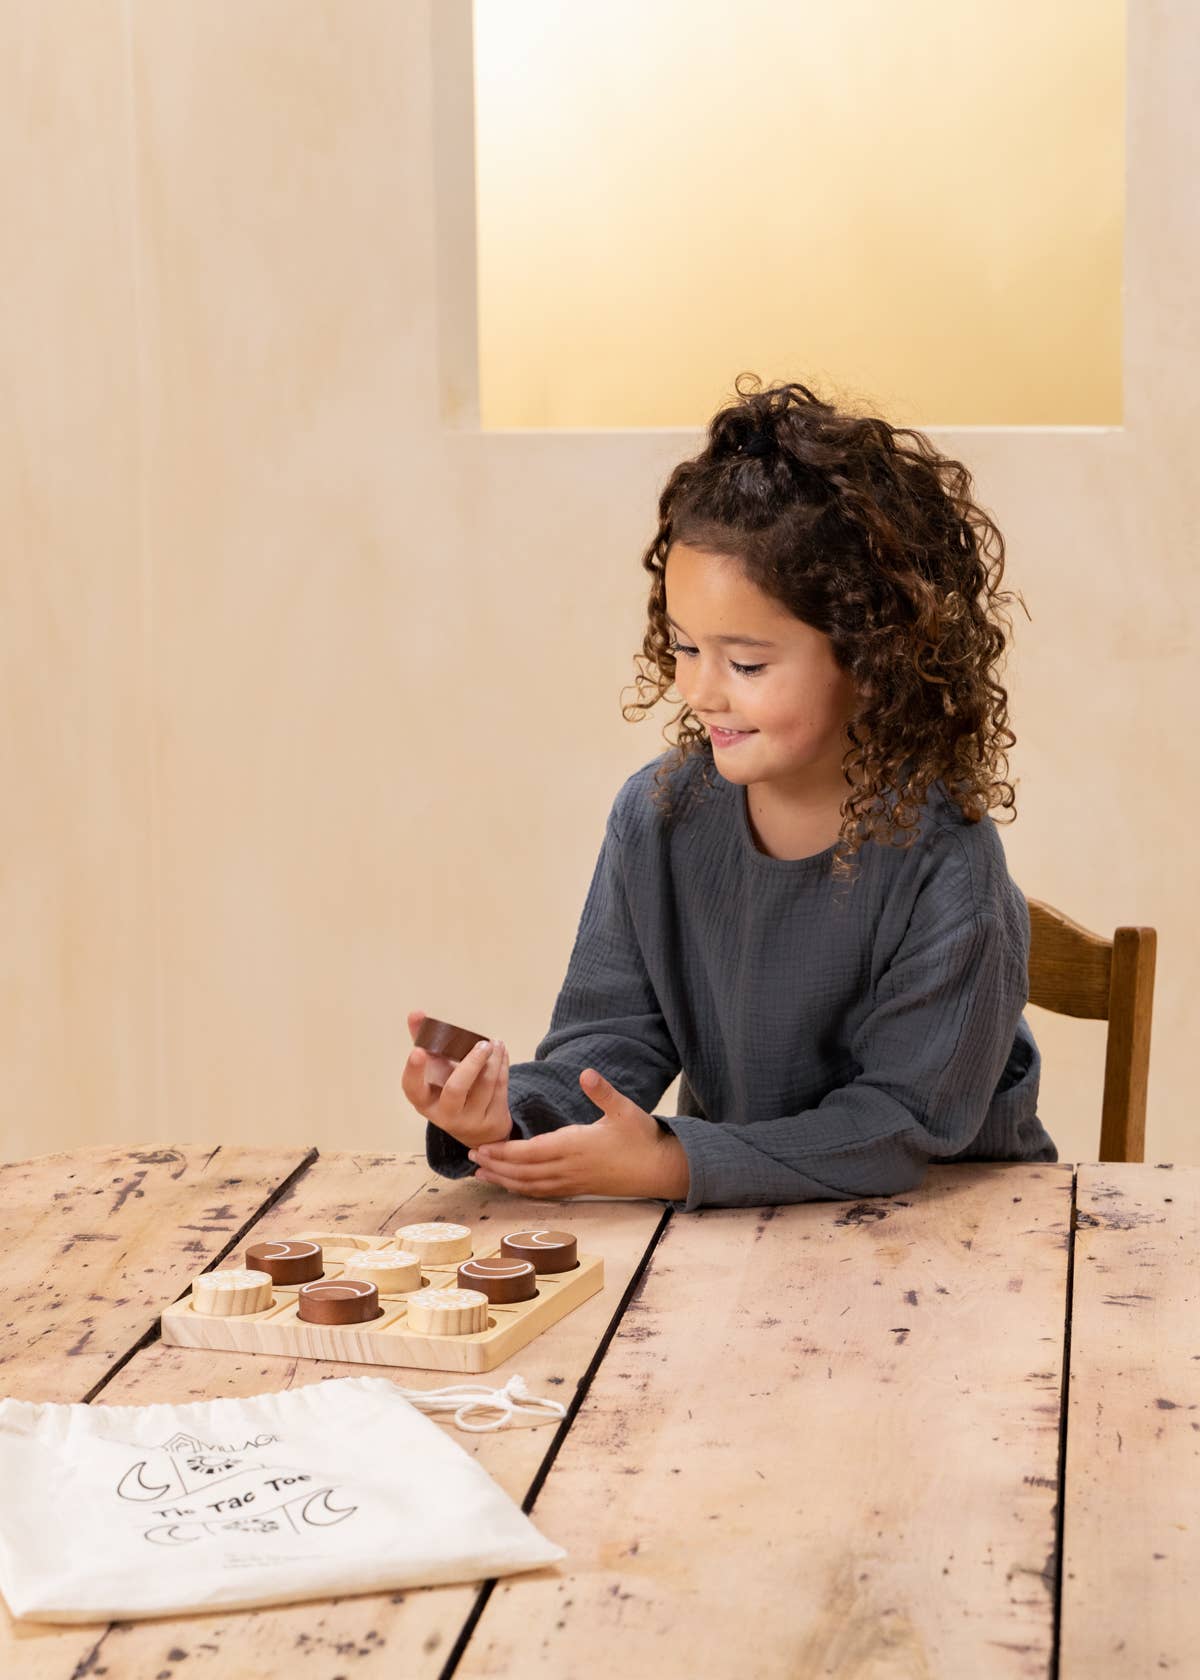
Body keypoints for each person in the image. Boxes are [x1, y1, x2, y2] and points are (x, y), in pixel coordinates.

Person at [402, 376, 1058, 1211]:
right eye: (682, 648)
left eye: (746, 664)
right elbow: (609, 1046)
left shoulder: (948, 862)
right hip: (754, 1236)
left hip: (967, 1233)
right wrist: (504, 1120)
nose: (702, 691)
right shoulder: (659, 818)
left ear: (871, 658)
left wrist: (674, 1164)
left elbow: (896, 1126)